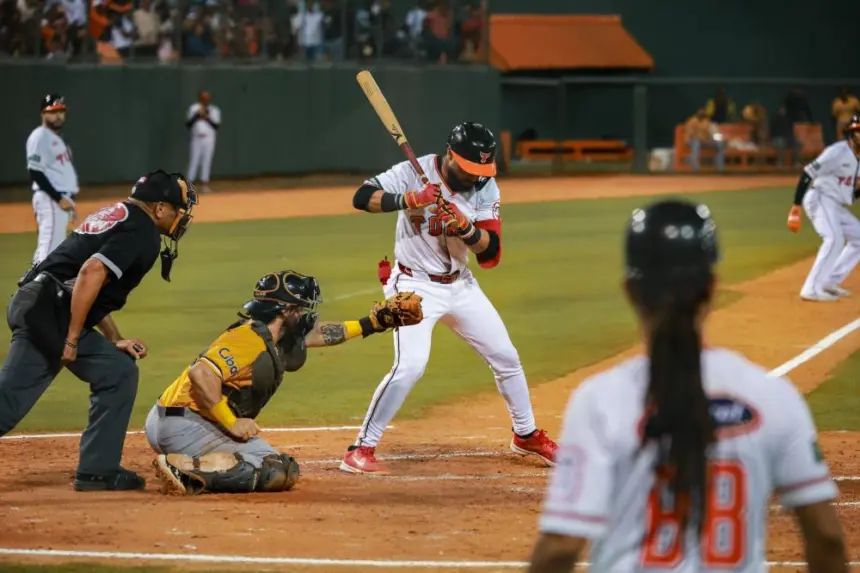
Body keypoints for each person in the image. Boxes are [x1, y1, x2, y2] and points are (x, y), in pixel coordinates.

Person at [528, 199, 848, 572]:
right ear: (712, 288)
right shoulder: (774, 397)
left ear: (630, 291)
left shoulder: (599, 401)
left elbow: (560, 548)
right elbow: (826, 537)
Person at [343, 122, 558, 474]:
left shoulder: (486, 187)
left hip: (461, 285)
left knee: (506, 357)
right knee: (410, 366)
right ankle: (361, 448)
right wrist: (410, 199)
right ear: (450, 156)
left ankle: (525, 435)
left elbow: (491, 255)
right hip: (414, 285)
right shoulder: (412, 173)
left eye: (482, 171)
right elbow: (362, 197)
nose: (476, 178)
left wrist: (467, 229)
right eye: (471, 169)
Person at [0, 170, 197, 491]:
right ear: (160, 208)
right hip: (49, 312)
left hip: (42, 302)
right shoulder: (142, 231)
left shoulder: (120, 215)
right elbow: (91, 273)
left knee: (117, 370)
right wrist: (72, 338)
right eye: (177, 211)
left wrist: (114, 338)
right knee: (9, 400)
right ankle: (97, 469)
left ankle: (97, 469)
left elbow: (88, 285)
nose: (180, 219)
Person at [149, 271, 423, 495]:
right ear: (285, 310)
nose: (306, 315)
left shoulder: (275, 336)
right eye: (302, 309)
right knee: (273, 470)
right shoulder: (247, 339)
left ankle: (190, 462)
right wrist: (231, 421)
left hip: (181, 419)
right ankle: (187, 470)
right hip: (184, 424)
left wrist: (371, 323)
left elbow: (322, 334)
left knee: (280, 467)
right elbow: (201, 374)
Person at [787, 114, 860, 301]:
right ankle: (811, 288)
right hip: (819, 197)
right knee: (834, 238)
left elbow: (851, 194)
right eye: (858, 131)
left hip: (834, 204)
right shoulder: (837, 152)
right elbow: (808, 172)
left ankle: (829, 281)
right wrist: (796, 205)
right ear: (851, 134)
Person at [26, 94, 78, 266]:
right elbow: (35, 172)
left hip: (58, 199)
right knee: (49, 252)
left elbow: (61, 173)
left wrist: (68, 199)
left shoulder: (57, 138)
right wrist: (59, 198)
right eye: (53, 111)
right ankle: (35, 290)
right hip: (50, 199)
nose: (58, 115)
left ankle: (31, 285)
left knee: (47, 248)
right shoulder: (40, 136)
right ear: (43, 114)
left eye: (61, 111)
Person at [186, 90, 220, 194]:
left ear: (209, 99)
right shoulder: (194, 108)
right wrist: (197, 115)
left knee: (207, 161)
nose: (205, 99)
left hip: (209, 138)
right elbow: (188, 124)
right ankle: (188, 187)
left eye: (207, 97)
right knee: (194, 161)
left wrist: (206, 117)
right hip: (197, 138)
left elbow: (216, 126)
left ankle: (205, 185)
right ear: (200, 98)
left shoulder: (214, 110)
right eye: (203, 97)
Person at [685, 108, 725, 173]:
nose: (702, 114)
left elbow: (713, 133)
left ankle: (720, 169)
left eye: (703, 113)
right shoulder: (692, 121)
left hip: (705, 141)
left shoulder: (707, 122)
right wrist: (700, 137)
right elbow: (690, 135)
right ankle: (696, 169)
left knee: (719, 143)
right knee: (696, 143)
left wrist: (715, 136)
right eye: (700, 113)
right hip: (693, 141)